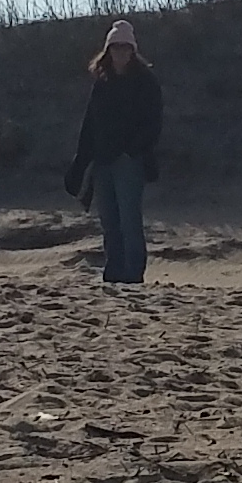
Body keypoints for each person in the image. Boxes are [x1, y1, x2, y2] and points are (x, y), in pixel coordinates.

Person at [65, 17, 163, 287]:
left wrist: (133, 150)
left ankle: (133, 273)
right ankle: (114, 270)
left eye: (125, 47)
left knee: (129, 219)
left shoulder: (145, 81)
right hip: (103, 160)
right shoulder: (102, 81)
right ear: (108, 51)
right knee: (109, 220)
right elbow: (90, 124)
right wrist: (80, 162)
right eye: (116, 47)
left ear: (133, 50)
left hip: (129, 161)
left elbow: (153, 122)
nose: (120, 52)